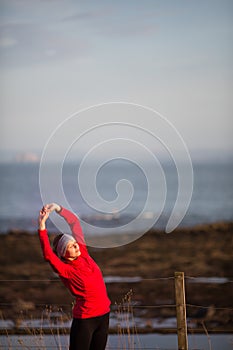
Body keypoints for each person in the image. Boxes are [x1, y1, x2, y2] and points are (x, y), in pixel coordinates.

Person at [38, 203, 111, 350]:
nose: (76, 246)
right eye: (71, 246)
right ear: (64, 253)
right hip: (85, 320)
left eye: (75, 242)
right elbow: (48, 255)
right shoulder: (66, 269)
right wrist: (42, 225)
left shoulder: (83, 253)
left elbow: (74, 223)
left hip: (104, 315)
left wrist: (58, 208)